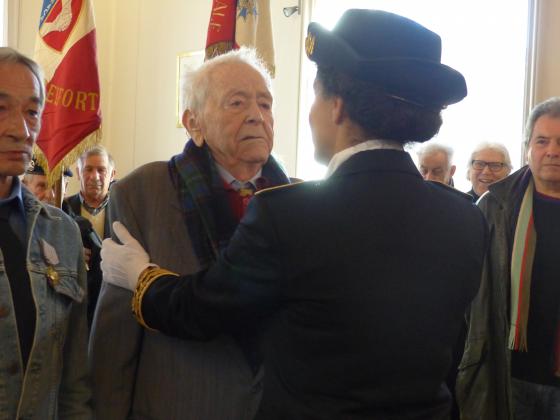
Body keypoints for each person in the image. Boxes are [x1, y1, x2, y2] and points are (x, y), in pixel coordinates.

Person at [102, 10, 488, 419]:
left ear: (336, 107)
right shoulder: (466, 219)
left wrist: (140, 276)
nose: (259, 115)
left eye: (314, 96)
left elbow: (203, 308)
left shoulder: (291, 215)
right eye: (237, 102)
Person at [89, 48, 290, 420]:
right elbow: (115, 337)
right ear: (193, 123)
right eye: (237, 102)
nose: (256, 116)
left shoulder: (297, 200)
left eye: (265, 103)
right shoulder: (142, 192)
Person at [0, 47, 91, 419]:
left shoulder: (62, 234)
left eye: (32, 112)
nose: (20, 129)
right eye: (0, 108)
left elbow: (74, 382)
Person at [457, 97, 560, 420]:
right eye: (542, 141)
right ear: (528, 147)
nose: (553, 151)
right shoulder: (494, 207)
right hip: (508, 372)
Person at [65, 145, 115, 325]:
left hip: (111, 304)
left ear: (112, 174)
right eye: (88, 169)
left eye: (101, 170)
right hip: (72, 302)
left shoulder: (124, 211)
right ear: (78, 173)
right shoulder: (62, 209)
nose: (95, 176)